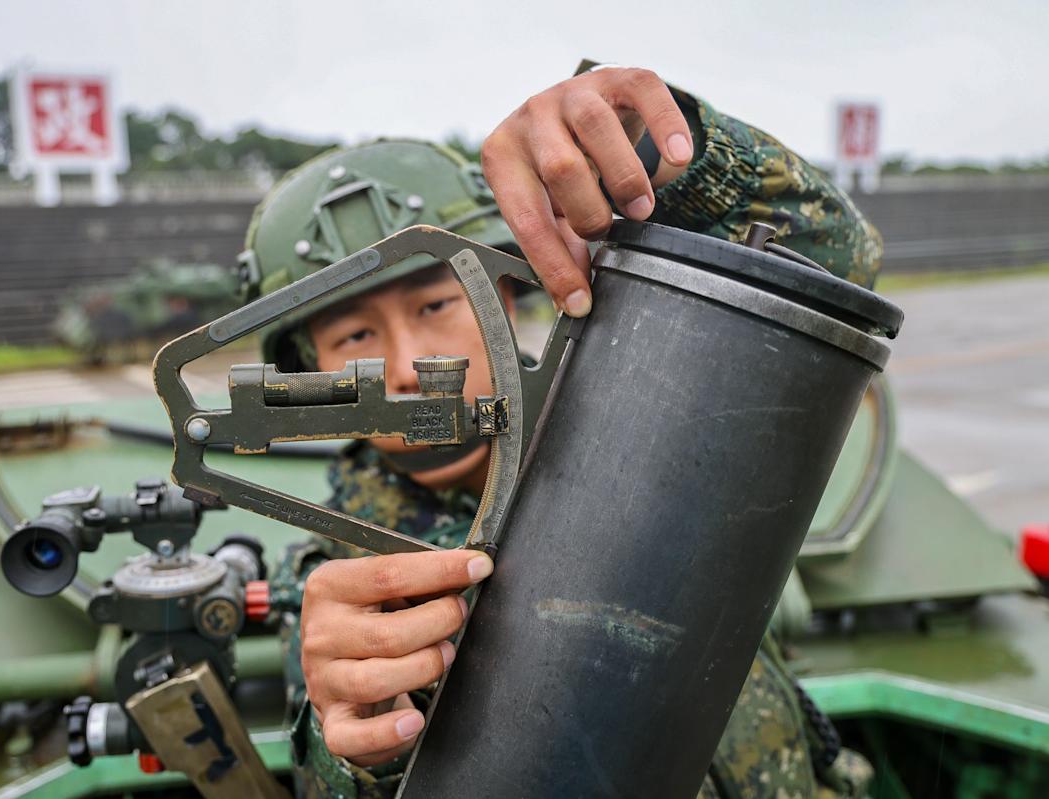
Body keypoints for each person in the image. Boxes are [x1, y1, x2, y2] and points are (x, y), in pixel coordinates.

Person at [247, 66, 882, 797]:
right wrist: (362, 748)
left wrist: (667, 159)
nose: (405, 366)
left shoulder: (645, 416)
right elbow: (339, 755)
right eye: (355, 334)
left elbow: (839, 266)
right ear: (310, 371)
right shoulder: (342, 590)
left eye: (434, 307)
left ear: (505, 290)